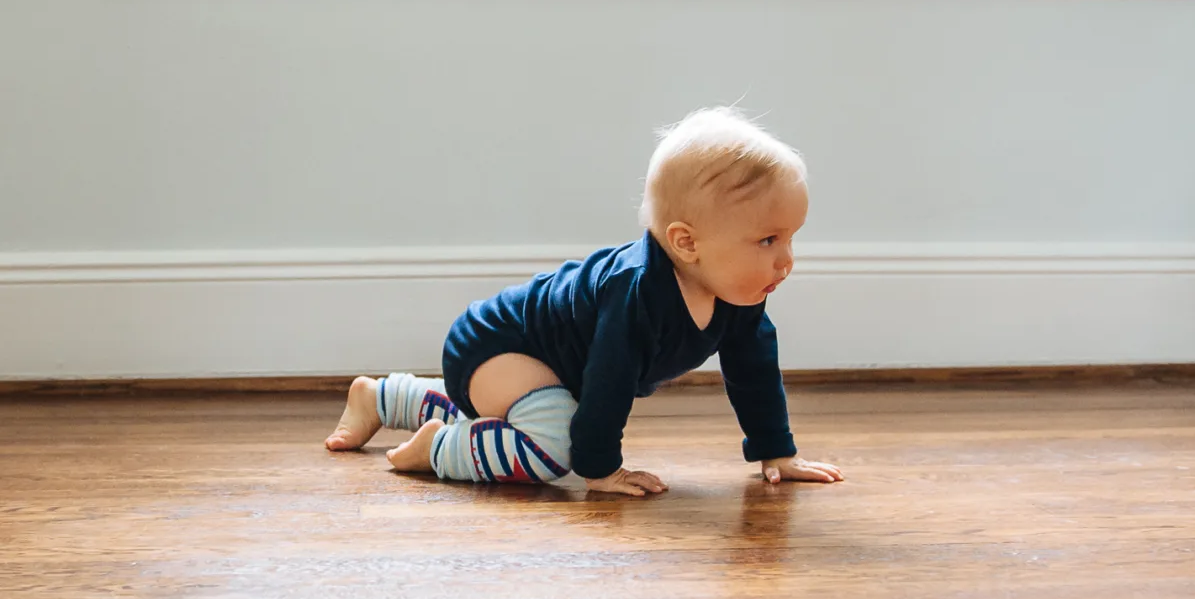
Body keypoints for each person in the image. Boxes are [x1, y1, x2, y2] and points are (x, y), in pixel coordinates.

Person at [325, 107, 844, 496]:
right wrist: (600, 469)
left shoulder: (739, 294)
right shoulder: (637, 294)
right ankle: (438, 450)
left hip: (535, 368)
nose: (786, 260)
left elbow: (754, 370)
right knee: (555, 446)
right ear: (687, 242)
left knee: (529, 409)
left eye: (791, 238)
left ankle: (383, 397)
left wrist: (777, 450)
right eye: (768, 241)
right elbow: (608, 383)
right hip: (497, 345)